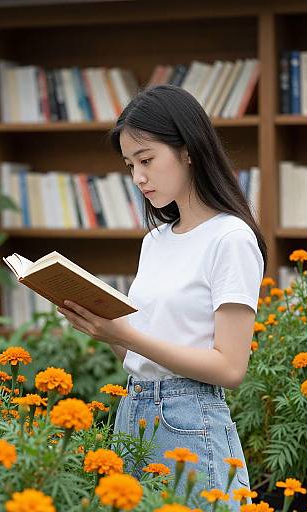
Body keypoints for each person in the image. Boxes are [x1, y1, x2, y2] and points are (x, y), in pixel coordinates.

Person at [56, 84, 266, 510]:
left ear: (188, 150)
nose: (138, 177)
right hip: (132, 411)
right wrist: (104, 329)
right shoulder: (155, 241)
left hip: (190, 423)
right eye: (130, 164)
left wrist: (128, 337)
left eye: (147, 160)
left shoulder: (231, 238)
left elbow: (229, 366)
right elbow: (149, 354)